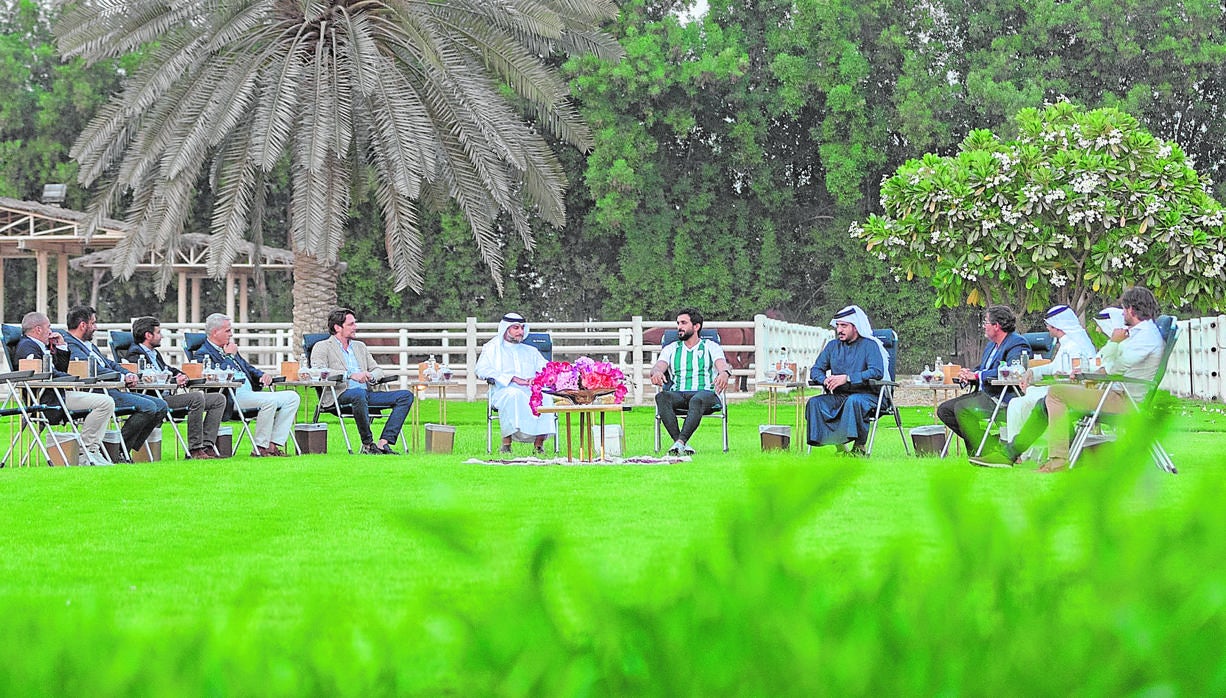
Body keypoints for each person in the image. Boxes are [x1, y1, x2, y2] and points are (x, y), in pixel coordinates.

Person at [1038, 287, 1165, 473]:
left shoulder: (1146, 336)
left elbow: (1114, 367)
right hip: (1118, 393)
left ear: (1131, 309)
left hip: (1124, 400)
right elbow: (1105, 363)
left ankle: (1058, 462)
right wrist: (1090, 368)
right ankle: (1065, 456)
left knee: (1056, 392)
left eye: (1123, 309)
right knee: (1060, 390)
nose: (1122, 314)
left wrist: (1113, 342)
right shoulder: (1139, 334)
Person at [970, 304, 1098, 467]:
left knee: (1024, 402)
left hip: (1072, 392)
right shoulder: (1066, 343)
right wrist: (1031, 373)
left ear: (1055, 325)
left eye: (1048, 325)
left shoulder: (1076, 345)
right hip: (1059, 389)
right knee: (1017, 402)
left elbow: (1077, 373)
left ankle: (1014, 454)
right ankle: (1016, 454)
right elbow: (1054, 367)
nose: (1047, 328)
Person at [61, 305, 168, 461]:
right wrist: (122, 378)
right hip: (97, 391)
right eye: (93, 323)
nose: (95, 328)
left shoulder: (88, 345)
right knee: (148, 407)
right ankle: (117, 451)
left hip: (111, 389)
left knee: (161, 406)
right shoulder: (70, 344)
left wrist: (128, 374)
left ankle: (123, 449)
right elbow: (92, 370)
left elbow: (110, 364)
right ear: (83, 325)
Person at [15, 311, 116, 466]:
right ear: (38, 329)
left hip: (59, 392)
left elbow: (60, 369)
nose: (51, 331)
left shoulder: (41, 346)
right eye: (48, 327)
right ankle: (85, 452)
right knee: (105, 403)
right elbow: (43, 372)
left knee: (106, 402)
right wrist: (71, 380)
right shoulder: (27, 346)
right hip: (48, 399)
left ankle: (92, 450)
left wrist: (61, 346)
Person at [309, 308, 414, 455]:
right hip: (339, 395)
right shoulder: (322, 346)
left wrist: (371, 376)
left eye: (354, 324)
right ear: (337, 327)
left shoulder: (360, 346)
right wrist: (350, 375)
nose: (355, 327)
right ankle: (368, 444)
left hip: (366, 393)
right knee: (358, 393)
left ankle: (384, 443)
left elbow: (378, 370)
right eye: (351, 324)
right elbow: (318, 371)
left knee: (406, 396)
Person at [197, 313, 300, 457]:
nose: (231, 334)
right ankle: (260, 447)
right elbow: (215, 376)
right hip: (231, 397)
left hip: (249, 393)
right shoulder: (203, 353)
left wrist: (262, 375)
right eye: (227, 330)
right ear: (215, 332)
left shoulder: (229, 347)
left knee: (292, 397)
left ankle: (273, 445)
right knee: (269, 401)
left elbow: (247, 368)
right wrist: (229, 357)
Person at [127, 316, 227, 460]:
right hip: (155, 399)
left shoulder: (154, 353)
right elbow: (148, 377)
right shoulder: (135, 354)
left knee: (218, 399)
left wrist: (181, 375)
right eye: (158, 332)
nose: (161, 336)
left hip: (168, 396)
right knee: (196, 397)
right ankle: (195, 449)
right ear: (148, 335)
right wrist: (174, 379)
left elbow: (167, 369)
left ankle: (207, 446)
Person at [936, 305, 1030, 453]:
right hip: (984, 394)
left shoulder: (1017, 343)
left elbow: (1013, 371)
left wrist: (978, 375)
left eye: (986, 323)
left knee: (962, 409)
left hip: (1002, 397)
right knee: (945, 410)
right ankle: (990, 444)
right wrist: (969, 374)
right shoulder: (991, 345)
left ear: (996, 326)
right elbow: (983, 368)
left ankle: (978, 452)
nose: (983, 327)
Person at [805, 305, 888, 454]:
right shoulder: (832, 346)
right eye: (838, 326)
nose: (839, 330)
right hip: (840, 396)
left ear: (855, 327)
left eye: (844, 326)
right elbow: (816, 370)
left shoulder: (870, 345)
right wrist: (824, 380)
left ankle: (859, 448)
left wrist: (848, 378)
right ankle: (841, 448)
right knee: (815, 403)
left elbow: (876, 372)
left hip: (869, 395)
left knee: (854, 401)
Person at [649, 308, 732, 456]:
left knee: (697, 399)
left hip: (705, 394)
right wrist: (656, 372)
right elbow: (658, 366)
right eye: (678, 323)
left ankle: (679, 443)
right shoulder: (671, 348)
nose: (679, 327)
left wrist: (724, 373)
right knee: (661, 397)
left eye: (683, 323)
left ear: (696, 326)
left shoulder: (711, 346)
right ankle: (681, 443)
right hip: (679, 394)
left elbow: (722, 365)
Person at [475, 312, 556, 455]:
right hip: (503, 390)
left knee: (546, 396)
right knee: (513, 394)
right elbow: (481, 370)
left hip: (531, 390)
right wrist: (511, 378)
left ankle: (538, 446)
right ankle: (506, 444)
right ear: (506, 329)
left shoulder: (531, 351)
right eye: (516, 328)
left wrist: (536, 378)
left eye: (522, 328)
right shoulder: (493, 348)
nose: (521, 332)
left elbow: (546, 369)